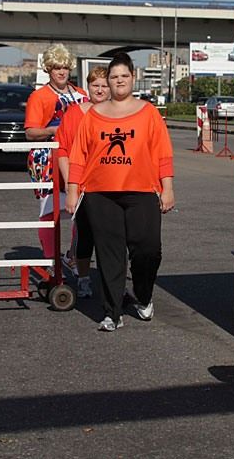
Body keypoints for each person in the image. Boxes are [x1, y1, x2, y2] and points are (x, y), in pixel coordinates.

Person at [66, 52, 175, 331]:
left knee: (148, 249)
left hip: (142, 191)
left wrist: (168, 187)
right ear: (109, 81)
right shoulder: (93, 116)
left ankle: (143, 295)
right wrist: (73, 190)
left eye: (124, 75)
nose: (119, 81)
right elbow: (78, 155)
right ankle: (112, 312)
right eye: (114, 77)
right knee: (109, 254)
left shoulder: (149, 113)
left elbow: (162, 152)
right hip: (100, 193)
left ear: (133, 78)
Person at [25, 43, 88, 263]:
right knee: (49, 210)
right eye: (56, 68)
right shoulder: (39, 96)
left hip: (78, 156)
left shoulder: (81, 94)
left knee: (81, 209)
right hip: (48, 159)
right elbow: (30, 132)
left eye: (65, 67)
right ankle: (51, 259)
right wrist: (54, 131)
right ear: (48, 69)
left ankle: (76, 255)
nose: (61, 72)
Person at [56, 66, 110, 298]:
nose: (100, 90)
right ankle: (84, 278)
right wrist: (72, 185)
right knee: (85, 234)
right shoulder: (74, 114)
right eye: (95, 85)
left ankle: (113, 284)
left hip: (111, 183)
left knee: (113, 238)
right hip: (84, 184)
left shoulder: (118, 114)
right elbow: (62, 150)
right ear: (88, 87)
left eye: (104, 85)